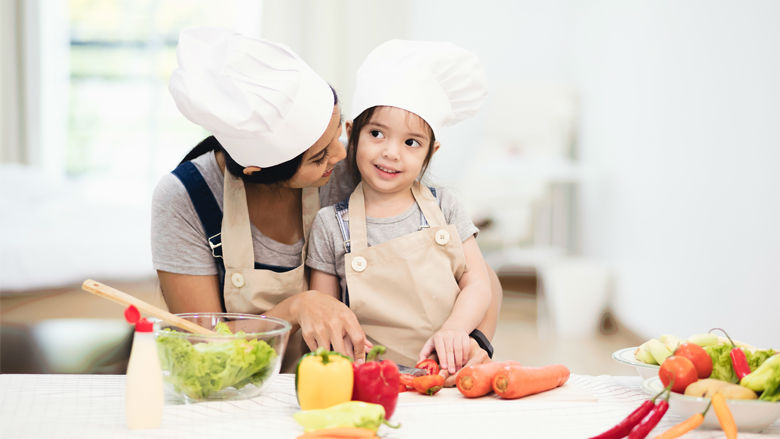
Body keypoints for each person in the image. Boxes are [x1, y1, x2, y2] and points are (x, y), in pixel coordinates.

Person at [151, 28, 501, 376]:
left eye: (338, 132)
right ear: (260, 170)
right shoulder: (186, 201)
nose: (340, 154)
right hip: (242, 387)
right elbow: (205, 349)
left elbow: (478, 279)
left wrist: (472, 340)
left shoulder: (367, 170)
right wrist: (294, 308)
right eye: (319, 156)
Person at [306, 40, 493, 376]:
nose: (391, 152)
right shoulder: (330, 224)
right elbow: (327, 311)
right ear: (352, 135)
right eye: (377, 133)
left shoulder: (445, 206)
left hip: (448, 372)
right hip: (371, 380)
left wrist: (456, 330)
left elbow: (478, 282)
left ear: (431, 152)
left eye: (411, 142)